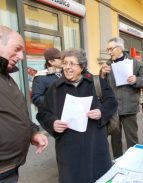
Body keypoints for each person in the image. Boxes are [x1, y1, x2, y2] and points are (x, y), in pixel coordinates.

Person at [36, 48, 118, 183]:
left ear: (82, 66)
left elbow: (112, 102)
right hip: (68, 147)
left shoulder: (96, 82)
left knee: (99, 177)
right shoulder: (55, 88)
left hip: (95, 143)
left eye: (72, 64)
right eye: (65, 63)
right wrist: (52, 123)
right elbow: (42, 113)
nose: (67, 67)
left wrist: (101, 112)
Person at [0, 25, 48, 182]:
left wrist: (33, 132)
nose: (21, 56)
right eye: (17, 48)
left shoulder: (6, 77)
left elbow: (16, 113)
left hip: (10, 168)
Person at [100, 37, 143, 159]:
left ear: (120, 48)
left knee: (132, 138)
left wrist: (136, 79)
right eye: (108, 49)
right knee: (115, 138)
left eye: (111, 49)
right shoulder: (107, 65)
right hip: (113, 108)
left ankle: (134, 160)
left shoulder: (134, 63)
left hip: (129, 107)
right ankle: (118, 160)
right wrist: (102, 74)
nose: (109, 52)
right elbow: (100, 85)